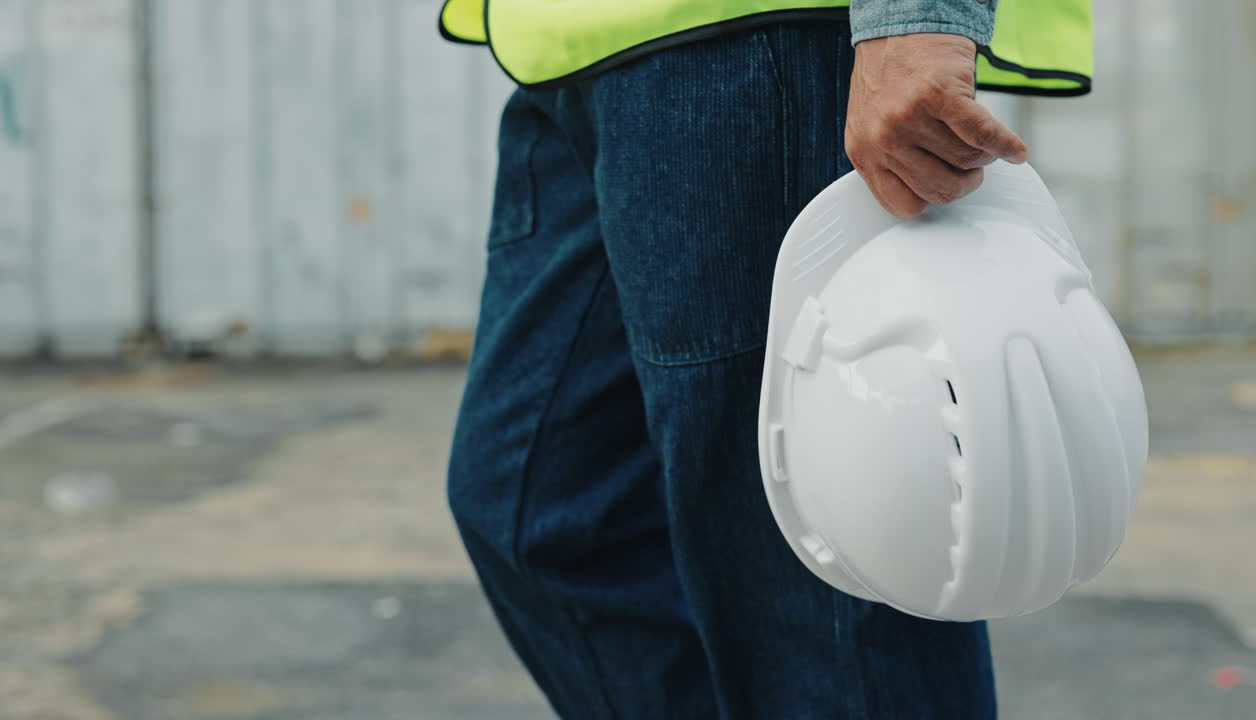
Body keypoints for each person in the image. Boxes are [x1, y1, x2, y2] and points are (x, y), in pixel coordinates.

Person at [442, 1, 1091, 716]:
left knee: (827, 578)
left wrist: (919, 18)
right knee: (539, 514)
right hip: (571, 50)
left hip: (753, 44)